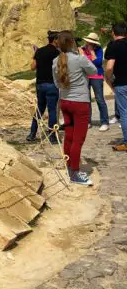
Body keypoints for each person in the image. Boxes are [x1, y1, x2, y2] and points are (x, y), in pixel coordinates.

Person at [54, 30, 96, 185]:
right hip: (80, 102)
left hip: (65, 101)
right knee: (78, 139)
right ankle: (75, 173)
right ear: (72, 43)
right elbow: (94, 70)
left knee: (70, 136)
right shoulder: (79, 59)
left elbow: (57, 83)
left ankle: (68, 164)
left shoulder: (55, 61)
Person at [28, 31, 63, 144]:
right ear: (55, 40)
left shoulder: (40, 51)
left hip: (40, 85)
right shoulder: (57, 53)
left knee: (39, 109)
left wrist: (35, 55)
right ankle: (52, 137)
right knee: (52, 110)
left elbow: (32, 67)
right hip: (52, 84)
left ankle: (32, 134)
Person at [82, 33, 110, 131]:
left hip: (97, 76)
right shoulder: (82, 49)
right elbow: (81, 62)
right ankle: (87, 121)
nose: (88, 43)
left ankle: (105, 122)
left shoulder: (98, 50)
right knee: (86, 100)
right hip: (85, 77)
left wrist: (92, 52)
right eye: (87, 41)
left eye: (90, 42)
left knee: (99, 99)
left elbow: (98, 63)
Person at [106, 23, 127, 152]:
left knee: (124, 113)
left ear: (113, 33)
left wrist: (108, 78)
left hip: (122, 84)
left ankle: (126, 142)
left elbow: (109, 67)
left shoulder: (113, 46)